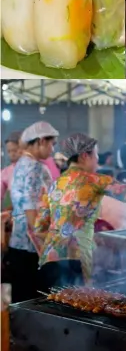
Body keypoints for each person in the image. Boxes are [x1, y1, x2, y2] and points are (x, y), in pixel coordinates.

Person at [34, 133, 126, 291]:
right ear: (84, 156)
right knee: (75, 310)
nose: (97, 160)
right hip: (76, 263)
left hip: (48, 261)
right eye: (95, 155)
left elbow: (38, 229)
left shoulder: (55, 184)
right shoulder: (94, 180)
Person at [8, 122, 59, 302]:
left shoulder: (21, 163)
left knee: (21, 302)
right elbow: (31, 207)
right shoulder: (35, 167)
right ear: (41, 141)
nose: (52, 150)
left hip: (18, 244)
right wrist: (46, 242)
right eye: (52, 144)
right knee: (36, 302)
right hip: (32, 248)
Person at [1, 132, 22, 209]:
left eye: (14, 150)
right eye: (9, 151)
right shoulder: (5, 172)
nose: (12, 154)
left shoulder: (35, 168)